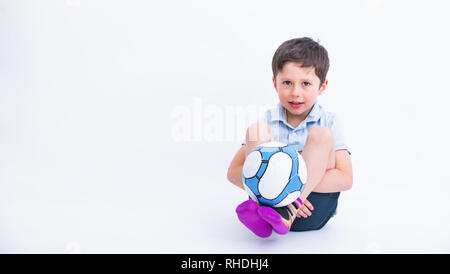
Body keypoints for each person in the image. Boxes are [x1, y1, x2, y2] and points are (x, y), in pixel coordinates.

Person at [226, 37, 353, 238]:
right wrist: (272, 190)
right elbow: (233, 172)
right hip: (269, 208)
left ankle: (290, 209)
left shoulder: (329, 121)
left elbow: (345, 179)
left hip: (313, 205)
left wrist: (291, 193)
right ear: (274, 83)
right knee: (257, 131)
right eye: (287, 83)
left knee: (320, 135)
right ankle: (261, 211)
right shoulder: (268, 120)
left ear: (322, 86)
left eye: (305, 84)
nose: (295, 93)